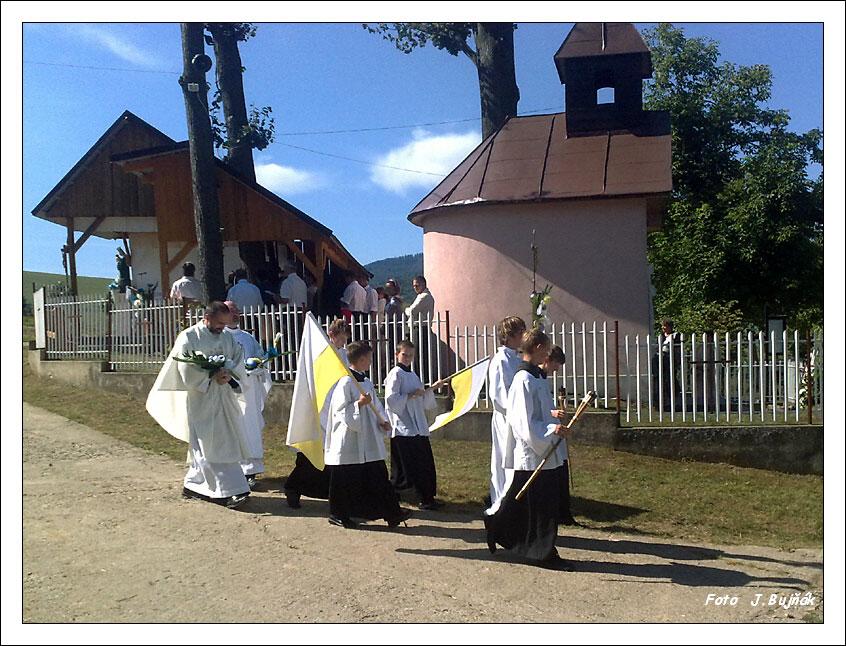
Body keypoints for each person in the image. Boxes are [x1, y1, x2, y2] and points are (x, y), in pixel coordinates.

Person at [145, 301, 251, 508]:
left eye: (225, 323)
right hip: (202, 398)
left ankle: (194, 485)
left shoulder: (227, 337)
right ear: (207, 318)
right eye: (219, 323)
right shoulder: (189, 337)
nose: (222, 327)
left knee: (223, 441)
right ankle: (225, 490)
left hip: (223, 397)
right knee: (210, 443)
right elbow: (185, 368)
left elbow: (237, 360)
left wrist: (229, 376)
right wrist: (210, 376)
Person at [484, 328, 574, 570]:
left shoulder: (536, 378)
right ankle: (544, 553)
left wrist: (554, 422)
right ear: (537, 348)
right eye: (546, 349)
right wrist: (550, 430)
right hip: (532, 452)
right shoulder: (523, 380)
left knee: (522, 502)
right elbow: (523, 422)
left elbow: (540, 413)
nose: (547, 354)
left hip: (543, 449)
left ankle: (496, 527)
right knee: (540, 506)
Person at [324, 341, 411, 529]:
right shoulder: (346, 382)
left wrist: (382, 419)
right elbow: (340, 410)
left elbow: (375, 405)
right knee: (343, 478)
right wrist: (359, 404)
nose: (371, 361)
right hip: (349, 439)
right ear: (361, 359)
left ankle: (391, 513)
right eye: (369, 358)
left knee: (378, 474)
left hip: (368, 437)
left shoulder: (365, 381)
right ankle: (337, 513)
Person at [283, 318, 350, 508]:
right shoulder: (322, 352)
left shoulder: (343, 354)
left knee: (332, 455)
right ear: (331, 335)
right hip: (321, 409)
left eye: (345, 340)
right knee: (311, 455)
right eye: (340, 339)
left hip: (337, 408)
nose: (342, 343)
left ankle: (324, 490)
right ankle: (293, 488)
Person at [385, 340, 448, 510]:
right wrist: (409, 396)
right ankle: (401, 496)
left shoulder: (413, 375)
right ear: (397, 354)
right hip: (403, 427)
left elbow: (422, 398)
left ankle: (427, 497)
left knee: (424, 464)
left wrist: (431, 389)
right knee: (405, 467)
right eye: (404, 355)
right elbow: (391, 400)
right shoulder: (395, 374)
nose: (407, 358)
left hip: (418, 427)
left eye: (410, 355)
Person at [224, 301, 271, 489]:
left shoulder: (248, 337)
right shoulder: (221, 337)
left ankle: (250, 470)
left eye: (236, 310)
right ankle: (233, 470)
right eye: (231, 310)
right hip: (230, 392)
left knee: (250, 428)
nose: (235, 313)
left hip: (250, 393)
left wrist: (260, 364)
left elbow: (260, 357)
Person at [485, 316, 527, 512]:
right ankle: (501, 502)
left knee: (516, 459)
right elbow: (500, 395)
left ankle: (514, 501)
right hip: (506, 419)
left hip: (517, 418)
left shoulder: (517, 359)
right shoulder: (501, 361)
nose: (523, 336)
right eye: (520, 333)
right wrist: (517, 412)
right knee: (505, 459)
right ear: (509, 336)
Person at [540, 345, 577, 526]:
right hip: (544, 432)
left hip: (553, 428)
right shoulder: (532, 378)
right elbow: (535, 409)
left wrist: (554, 412)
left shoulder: (542, 379)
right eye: (556, 364)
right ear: (548, 359)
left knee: (560, 465)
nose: (557, 369)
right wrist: (552, 413)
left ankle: (563, 510)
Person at [404, 275, 435, 382]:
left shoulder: (424, 296)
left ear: (423, 284)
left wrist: (407, 309)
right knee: (417, 355)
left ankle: (421, 379)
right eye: (414, 286)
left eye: (417, 285)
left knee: (419, 355)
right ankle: (420, 378)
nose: (415, 288)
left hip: (420, 328)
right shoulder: (421, 296)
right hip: (418, 328)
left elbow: (412, 311)